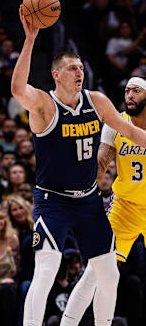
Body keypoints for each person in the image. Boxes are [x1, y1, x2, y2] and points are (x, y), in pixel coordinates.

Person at [11, 8, 146, 326]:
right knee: (46, 269)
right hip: (53, 200)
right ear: (56, 75)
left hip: (87, 201)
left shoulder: (97, 100)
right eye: (72, 68)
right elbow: (18, 90)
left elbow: (129, 132)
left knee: (108, 273)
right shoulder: (44, 105)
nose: (79, 72)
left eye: (81, 68)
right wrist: (30, 40)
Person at [61, 75, 146, 325]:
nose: (129, 95)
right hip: (126, 208)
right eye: (127, 91)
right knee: (96, 271)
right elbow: (101, 164)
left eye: (137, 91)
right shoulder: (116, 123)